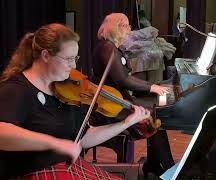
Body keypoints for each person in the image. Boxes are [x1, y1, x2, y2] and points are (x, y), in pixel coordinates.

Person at [0, 23, 150, 179]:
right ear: (45, 55)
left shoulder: (67, 91)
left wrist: (125, 123)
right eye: (69, 59)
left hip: (66, 167)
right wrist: (55, 143)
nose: (74, 66)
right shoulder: (16, 89)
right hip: (35, 173)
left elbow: (84, 138)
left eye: (75, 58)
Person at [91, 13, 175, 177]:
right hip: (108, 107)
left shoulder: (112, 47)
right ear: (118, 27)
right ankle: (166, 169)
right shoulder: (108, 48)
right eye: (127, 25)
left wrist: (152, 87)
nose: (130, 29)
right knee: (151, 119)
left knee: (154, 115)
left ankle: (155, 165)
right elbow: (123, 80)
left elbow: (125, 78)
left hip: (115, 100)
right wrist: (152, 87)